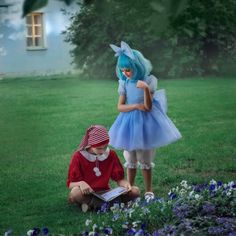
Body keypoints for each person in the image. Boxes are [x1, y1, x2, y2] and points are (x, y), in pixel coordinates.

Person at [109, 41, 182, 202]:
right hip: (128, 123)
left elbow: (148, 107)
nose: (126, 73)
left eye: (128, 69)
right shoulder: (124, 83)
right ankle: (130, 188)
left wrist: (146, 89)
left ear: (137, 66)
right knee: (130, 158)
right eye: (123, 70)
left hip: (145, 123)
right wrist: (135, 105)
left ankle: (149, 190)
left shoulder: (149, 81)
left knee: (145, 159)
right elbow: (120, 106)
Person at [67, 125, 140, 212]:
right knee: (76, 193)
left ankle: (92, 206)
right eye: (99, 148)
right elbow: (70, 184)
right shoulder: (78, 156)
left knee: (135, 191)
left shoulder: (111, 154)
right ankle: (111, 205)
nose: (102, 151)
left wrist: (125, 184)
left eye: (105, 147)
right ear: (90, 145)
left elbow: (119, 179)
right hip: (89, 194)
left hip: (106, 193)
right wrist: (81, 183)